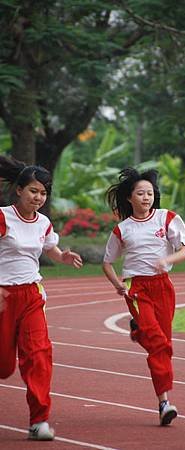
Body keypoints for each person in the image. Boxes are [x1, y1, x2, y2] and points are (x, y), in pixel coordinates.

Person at [0, 156, 83, 441]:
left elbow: (51, 249)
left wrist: (63, 256)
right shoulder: (3, 217)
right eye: (33, 190)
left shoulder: (44, 223)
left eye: (44, 192)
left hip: (32, 295)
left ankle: (39, 421)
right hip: (3, 297)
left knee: (38, 356)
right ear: (19, 190)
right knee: (4, 366)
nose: (38, 197)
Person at [102, 167, 185, 426]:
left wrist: (167, 259)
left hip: (163, 287)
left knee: (162, 342)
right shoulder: (123, 229)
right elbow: (107, 263)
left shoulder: (168, 218)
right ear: (129, 198)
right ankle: (164, 403)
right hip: (137, 289)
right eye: (140, 193)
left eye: (150, 193)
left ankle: (138, 332)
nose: (146, 197)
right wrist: (117, 284)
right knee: (159, 345)